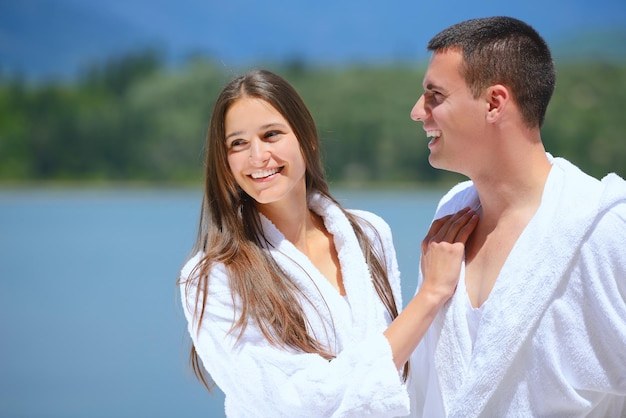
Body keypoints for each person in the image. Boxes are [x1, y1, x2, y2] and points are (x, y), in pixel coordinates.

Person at [178, 69, 478, 417]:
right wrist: (430, 295)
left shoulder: (369, 234)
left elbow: (404, 372)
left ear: (307, 139)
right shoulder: (212, 276)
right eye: (238, 144)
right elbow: (293, 403)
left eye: (271, 134)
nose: (257, 156)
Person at [408, 16, 626, 417]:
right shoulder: (450, 217)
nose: (417, 112)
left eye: (434, 95)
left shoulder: (604, 230)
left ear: (494, 103)